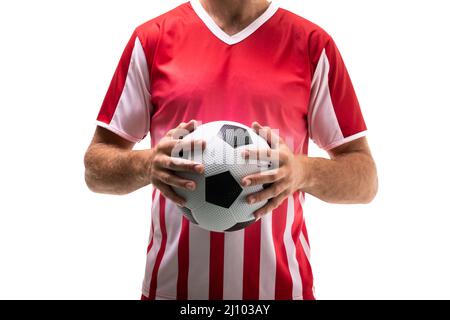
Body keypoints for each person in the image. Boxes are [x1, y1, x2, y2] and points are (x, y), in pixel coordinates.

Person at [84, 0, 378, 300]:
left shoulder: (313, 45)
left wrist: (302, 172)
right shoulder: (152, 39)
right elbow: (95, 169)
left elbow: (365, 180)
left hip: (281, 293)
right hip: (174, 294)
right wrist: (146, 165)